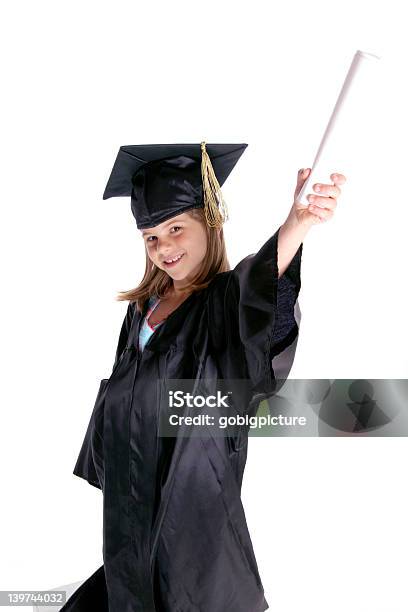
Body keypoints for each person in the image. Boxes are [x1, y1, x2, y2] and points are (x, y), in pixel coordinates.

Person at [59, 142, 346, 612]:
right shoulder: (141, 311)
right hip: (130, 512)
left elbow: (258, 296)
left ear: (210, 221)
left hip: (190, 514)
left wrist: (296, 227)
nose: (164, 247)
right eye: (151, 237)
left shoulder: (220, 305)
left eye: (176, 228)